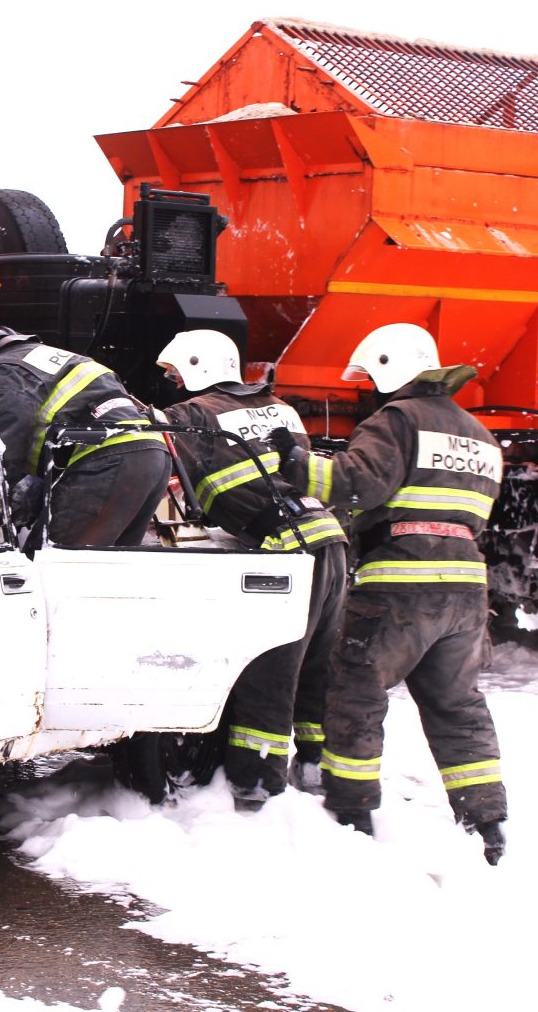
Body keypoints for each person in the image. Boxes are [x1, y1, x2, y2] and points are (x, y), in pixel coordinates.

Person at [270, 322, 508, 864]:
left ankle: (349, 812)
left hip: (401, 582)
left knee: (356, 690)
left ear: (387, 366)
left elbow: (358, 485)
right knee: (459, 706)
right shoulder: (480, 436)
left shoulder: (397, 420)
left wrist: (296, 462)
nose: (368, 391)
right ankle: (486, 824)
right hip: (467, 589)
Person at [155, 330, 349, 811]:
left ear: (196, 366)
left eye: (176, 371)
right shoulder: (280, 406)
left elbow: (165, 476)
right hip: (330, 539)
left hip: (285, 547)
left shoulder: (192, 416)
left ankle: (255, 789)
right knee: (316, 668)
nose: (174, 381)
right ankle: (315, 768)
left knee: (270, 670)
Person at [0, 323, 169, 547]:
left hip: (107, 460)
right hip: (152, 454)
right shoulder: (40, 358)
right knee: (107, 570)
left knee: (48, 567)